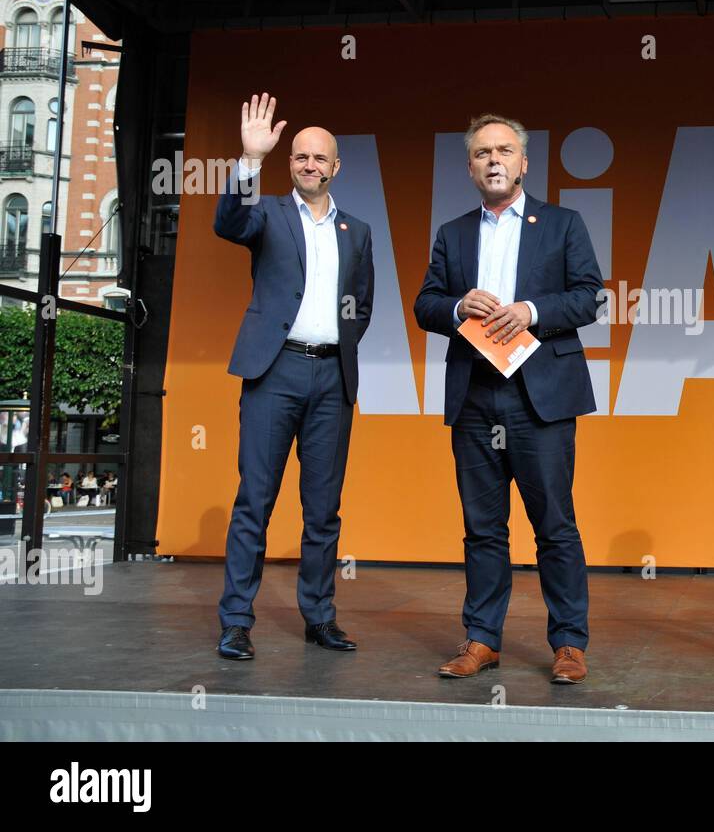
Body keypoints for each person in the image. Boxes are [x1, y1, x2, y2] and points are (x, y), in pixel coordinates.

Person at [413, 114, 602, 684]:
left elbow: (590, 297)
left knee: (555, 525)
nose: (493, 160)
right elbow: (425, 304)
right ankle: (481, 639)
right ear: (469, 167)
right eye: (481, 154)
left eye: (504, 151)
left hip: (539, 398)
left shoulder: (563, 223)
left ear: (524, 162)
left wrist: (532, 312)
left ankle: (568, 643)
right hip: (475, 395)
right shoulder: (452, 233)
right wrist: (455, 308)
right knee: (482, 527)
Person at [213, 92, 375, 661]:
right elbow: (227, 222)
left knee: (323, 509)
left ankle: (320, 618)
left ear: (336, 167)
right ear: (291, 165)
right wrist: (249, 159)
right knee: (254, 501)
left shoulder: (358, 230)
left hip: (332, 378)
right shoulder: (267, 214)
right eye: (300, 156)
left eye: (320, 158)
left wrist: (339, 347)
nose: (310, 164)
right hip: (274, 372)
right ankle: (236, 621)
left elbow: (362, 302)